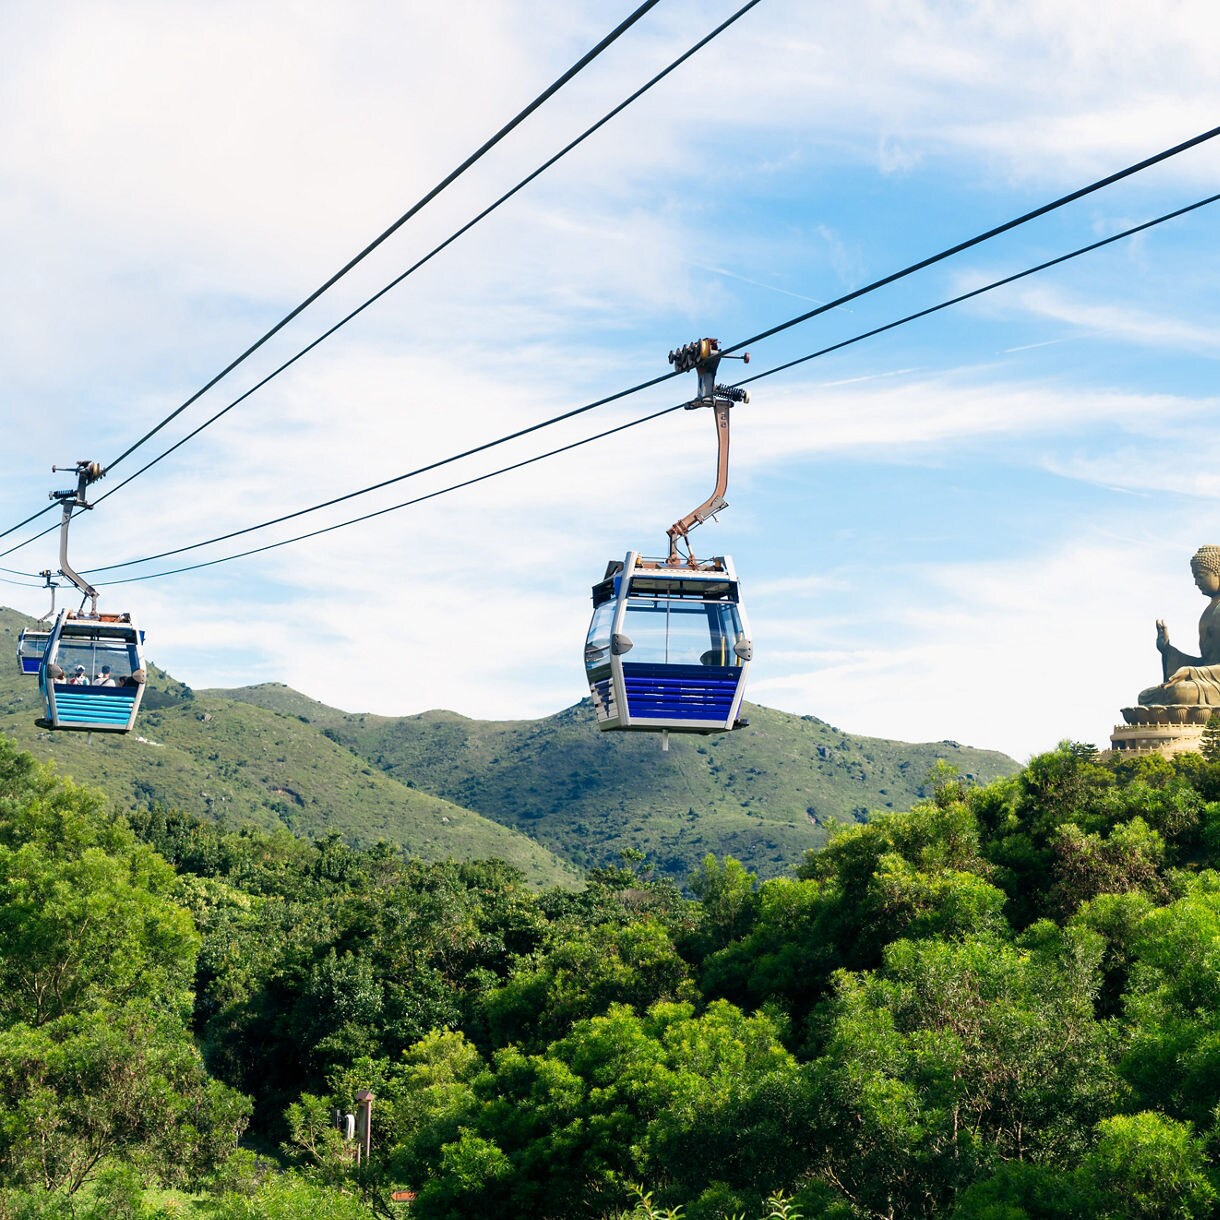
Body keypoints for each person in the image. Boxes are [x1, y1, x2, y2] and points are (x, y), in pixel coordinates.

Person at [1140, 545, 1220, 706]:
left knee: (1181, 692)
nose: (1196, 582)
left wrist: (1192, 672)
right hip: (1209, 681)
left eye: (1201, 576)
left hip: (1214, 684)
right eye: (1195, 577)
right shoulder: (1209, 610)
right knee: (1146, 697)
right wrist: (1168, 650)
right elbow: (1206, 663)